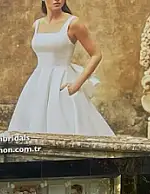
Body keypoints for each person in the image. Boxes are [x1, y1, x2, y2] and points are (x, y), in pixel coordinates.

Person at [7, 1, 114, 136]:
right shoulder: (37, 25)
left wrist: (76, 84)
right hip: (37, 84)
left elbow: (96, 54)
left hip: (62, 84)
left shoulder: (73, 24)